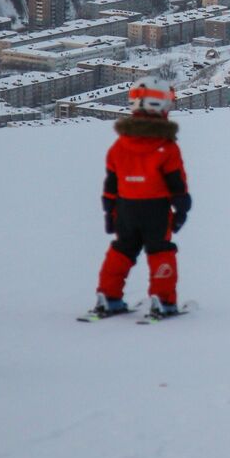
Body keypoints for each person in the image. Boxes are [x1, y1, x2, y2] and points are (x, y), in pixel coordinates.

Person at [90, 78, 192, 319]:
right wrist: (182, 208)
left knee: (122, 250)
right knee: (160, 252)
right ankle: (163, 299)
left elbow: (111, 183)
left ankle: (108, 296)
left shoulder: (119, 145)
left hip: (125, 207)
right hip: (156, 209)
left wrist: (110, 211)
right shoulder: (166, 147)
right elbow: (176, 183)